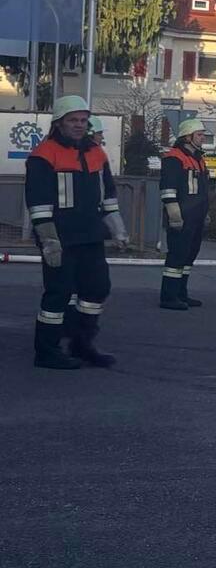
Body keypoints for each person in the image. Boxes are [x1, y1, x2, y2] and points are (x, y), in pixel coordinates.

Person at [26, 95, 126, 370]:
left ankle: (82, 344)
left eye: (83, 120)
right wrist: (49, 241)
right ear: (58, 123)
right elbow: (39, 204)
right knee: (58, 293)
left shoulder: (96, 153)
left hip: (91, 234)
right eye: (73, 120)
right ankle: (46, 350)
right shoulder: (43, 155)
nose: (79, 125)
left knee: (97, 288)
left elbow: (108, 197)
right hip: (59, 237)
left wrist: (117, 229)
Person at [159, 118, 212, 310]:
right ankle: (169, 296)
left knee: (189, 255)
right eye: (199, 134)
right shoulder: (175, 157)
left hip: (195, 216)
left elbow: (203, 190)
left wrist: (205, 213)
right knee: (177, 256)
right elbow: (168, 188)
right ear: (187, 137)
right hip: (181, 215)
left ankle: (181, 293)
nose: (203, 138)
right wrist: (173, 212)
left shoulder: (198, 159)